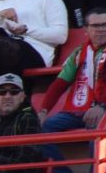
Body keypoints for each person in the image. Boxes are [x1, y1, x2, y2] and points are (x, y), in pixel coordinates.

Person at [39, 7, 106, 135]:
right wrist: (43, 111)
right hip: (80, 110)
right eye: (96, 25)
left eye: (105, 25)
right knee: (45, 126)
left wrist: (102, 107)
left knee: (97, 133)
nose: (102, 29)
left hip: (102, 110)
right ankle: (56, 157)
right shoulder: (79, 52)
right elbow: (60, 83)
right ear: (86, 29)